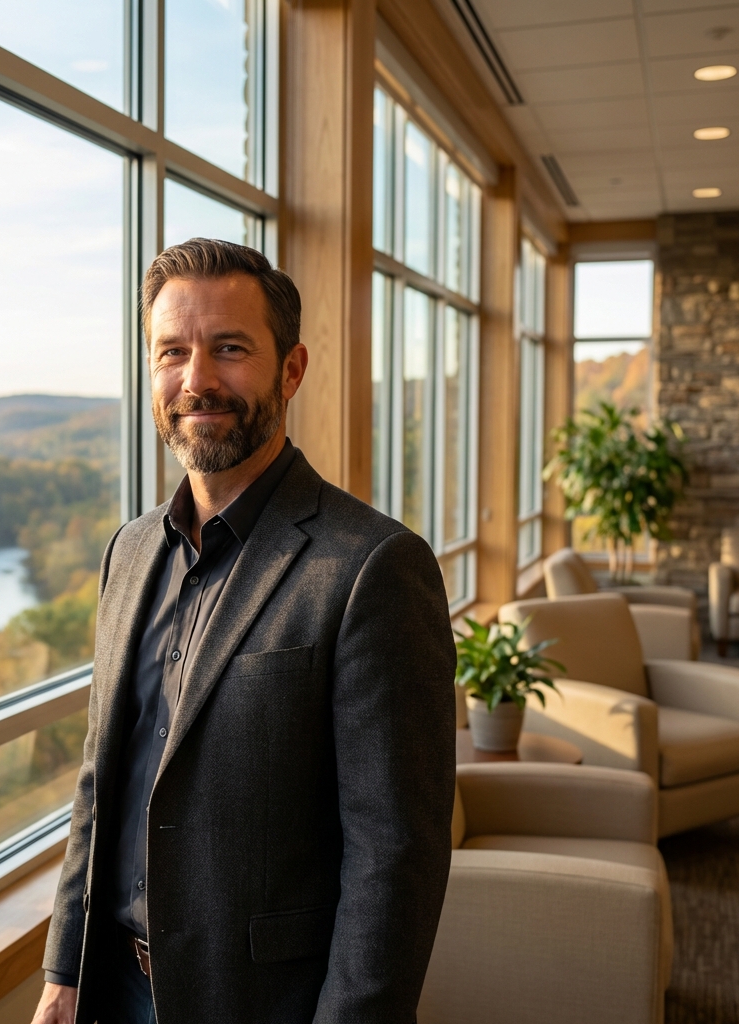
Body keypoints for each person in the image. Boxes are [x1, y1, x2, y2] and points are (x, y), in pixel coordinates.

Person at [30, 238, 456, 1024]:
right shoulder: (127, 554)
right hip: (110, 990)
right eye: (173, 352)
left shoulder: (373, 567)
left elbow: (395, 858)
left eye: (229, 349)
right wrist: (65, 970)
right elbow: (100, 782)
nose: (197, 380)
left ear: (290, 371)